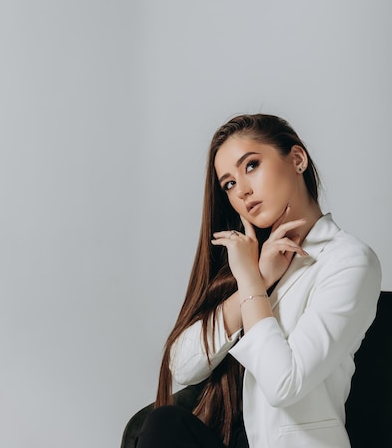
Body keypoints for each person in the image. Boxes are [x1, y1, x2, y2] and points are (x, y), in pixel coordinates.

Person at [136, 114, 381, 448]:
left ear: (297, 159)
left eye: (251, 166)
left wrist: (251, 284)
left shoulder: (349, 260)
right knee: (162, 425)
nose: (242, 191)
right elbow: (182, 365)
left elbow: (285, 383)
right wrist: (261, 278)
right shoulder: (258, 264)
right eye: (229, 184)